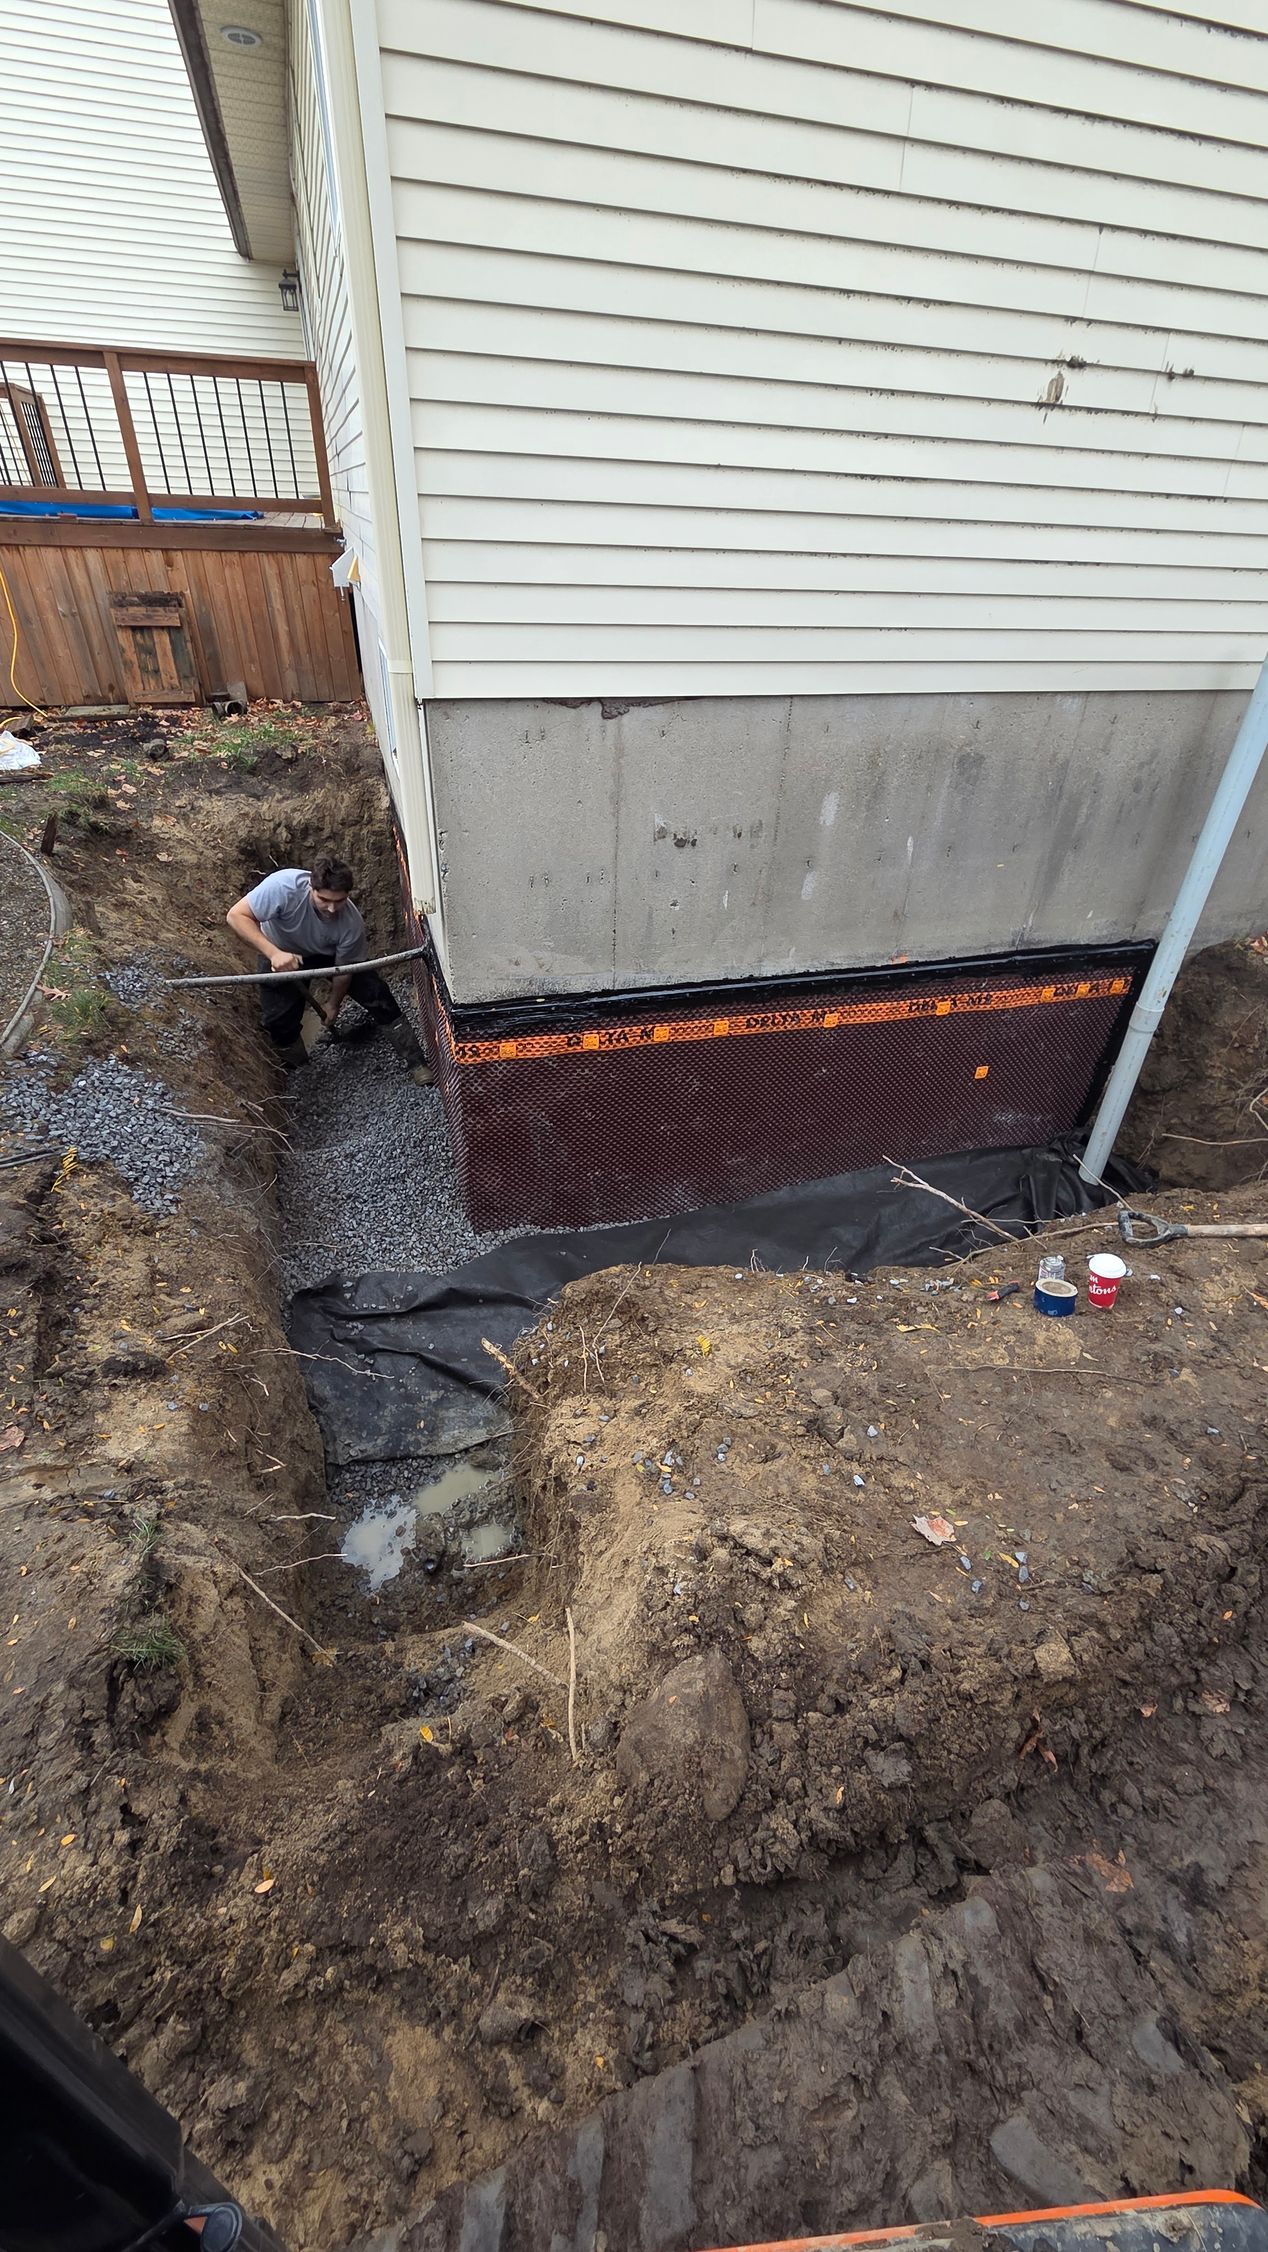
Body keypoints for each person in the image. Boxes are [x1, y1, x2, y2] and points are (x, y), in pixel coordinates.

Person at [225, 853, 427, 1073]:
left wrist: (333, 1004)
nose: (332, 909)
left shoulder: (351, 924)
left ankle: (416, 1062)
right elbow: (236, 916)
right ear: (311, 888)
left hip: (326, 953)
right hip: (279, 949)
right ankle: (298, 1068)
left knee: (376, 994)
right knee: (278, 1020)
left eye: (339, 901)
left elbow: (344, 972)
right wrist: (273, 953)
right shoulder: (283, 887)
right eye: (324, 900)